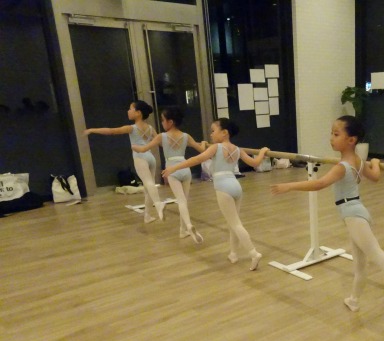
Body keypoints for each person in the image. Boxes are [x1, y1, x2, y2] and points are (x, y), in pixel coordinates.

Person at [271, 115, 384, 315]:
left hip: (353, 214)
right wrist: (375, 162)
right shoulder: (358, 161)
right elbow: (375, 176)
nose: (331, 138)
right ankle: (353, 300)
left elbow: (319, 184)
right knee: (360, 265)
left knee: (375, 253)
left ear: (351, 140)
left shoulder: (341, 167)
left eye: (336, 134)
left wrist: (289, 186)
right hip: (356, 212)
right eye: (331, 133)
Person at [162, 118, 268, 270]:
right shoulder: (238, 149)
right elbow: (255, 163)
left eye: (213, 131)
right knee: (233, 223)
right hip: (236, 186)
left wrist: (173, 168)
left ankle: (254, 253)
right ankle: (233, 254)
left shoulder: (216, 147)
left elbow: (196, 159)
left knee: (235, 224)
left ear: (224, 133)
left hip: (223, 187)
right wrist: (262, 152)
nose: (211, 134)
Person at [132, 106, 206, 243]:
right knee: (184, 201)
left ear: (170, 122)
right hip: (185, 168)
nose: (162, 123)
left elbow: (143, 149)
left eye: (163, 120)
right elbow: (202, 150)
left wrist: (134, 147)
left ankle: (188, 225)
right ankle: (183, 230)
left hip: (172, 170)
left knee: (181, 200)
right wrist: (203, 143)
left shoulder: (162, 136)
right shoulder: (186, 136)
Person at [84, 101, 165, 224]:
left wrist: (92, 130)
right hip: (150, 157)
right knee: (149, 187)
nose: (128, 111)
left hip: (140, 158)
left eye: (130, 109)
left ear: (138, 113)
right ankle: (147, 216)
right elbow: (160, 142)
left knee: (148, 184)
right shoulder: (150, 128)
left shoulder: (131, 128)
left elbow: (111, 131)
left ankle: (158, 204)